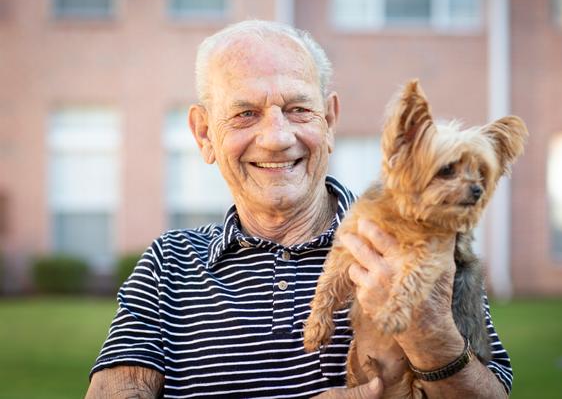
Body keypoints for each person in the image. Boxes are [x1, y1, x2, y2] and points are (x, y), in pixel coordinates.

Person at [85, 20, 513, 399]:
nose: (276, 137)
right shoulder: (168, 265)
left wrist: (430, 331)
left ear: (329, 121)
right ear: (203, 135)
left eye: (298, 109)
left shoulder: (428, 236)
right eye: (246, 113)